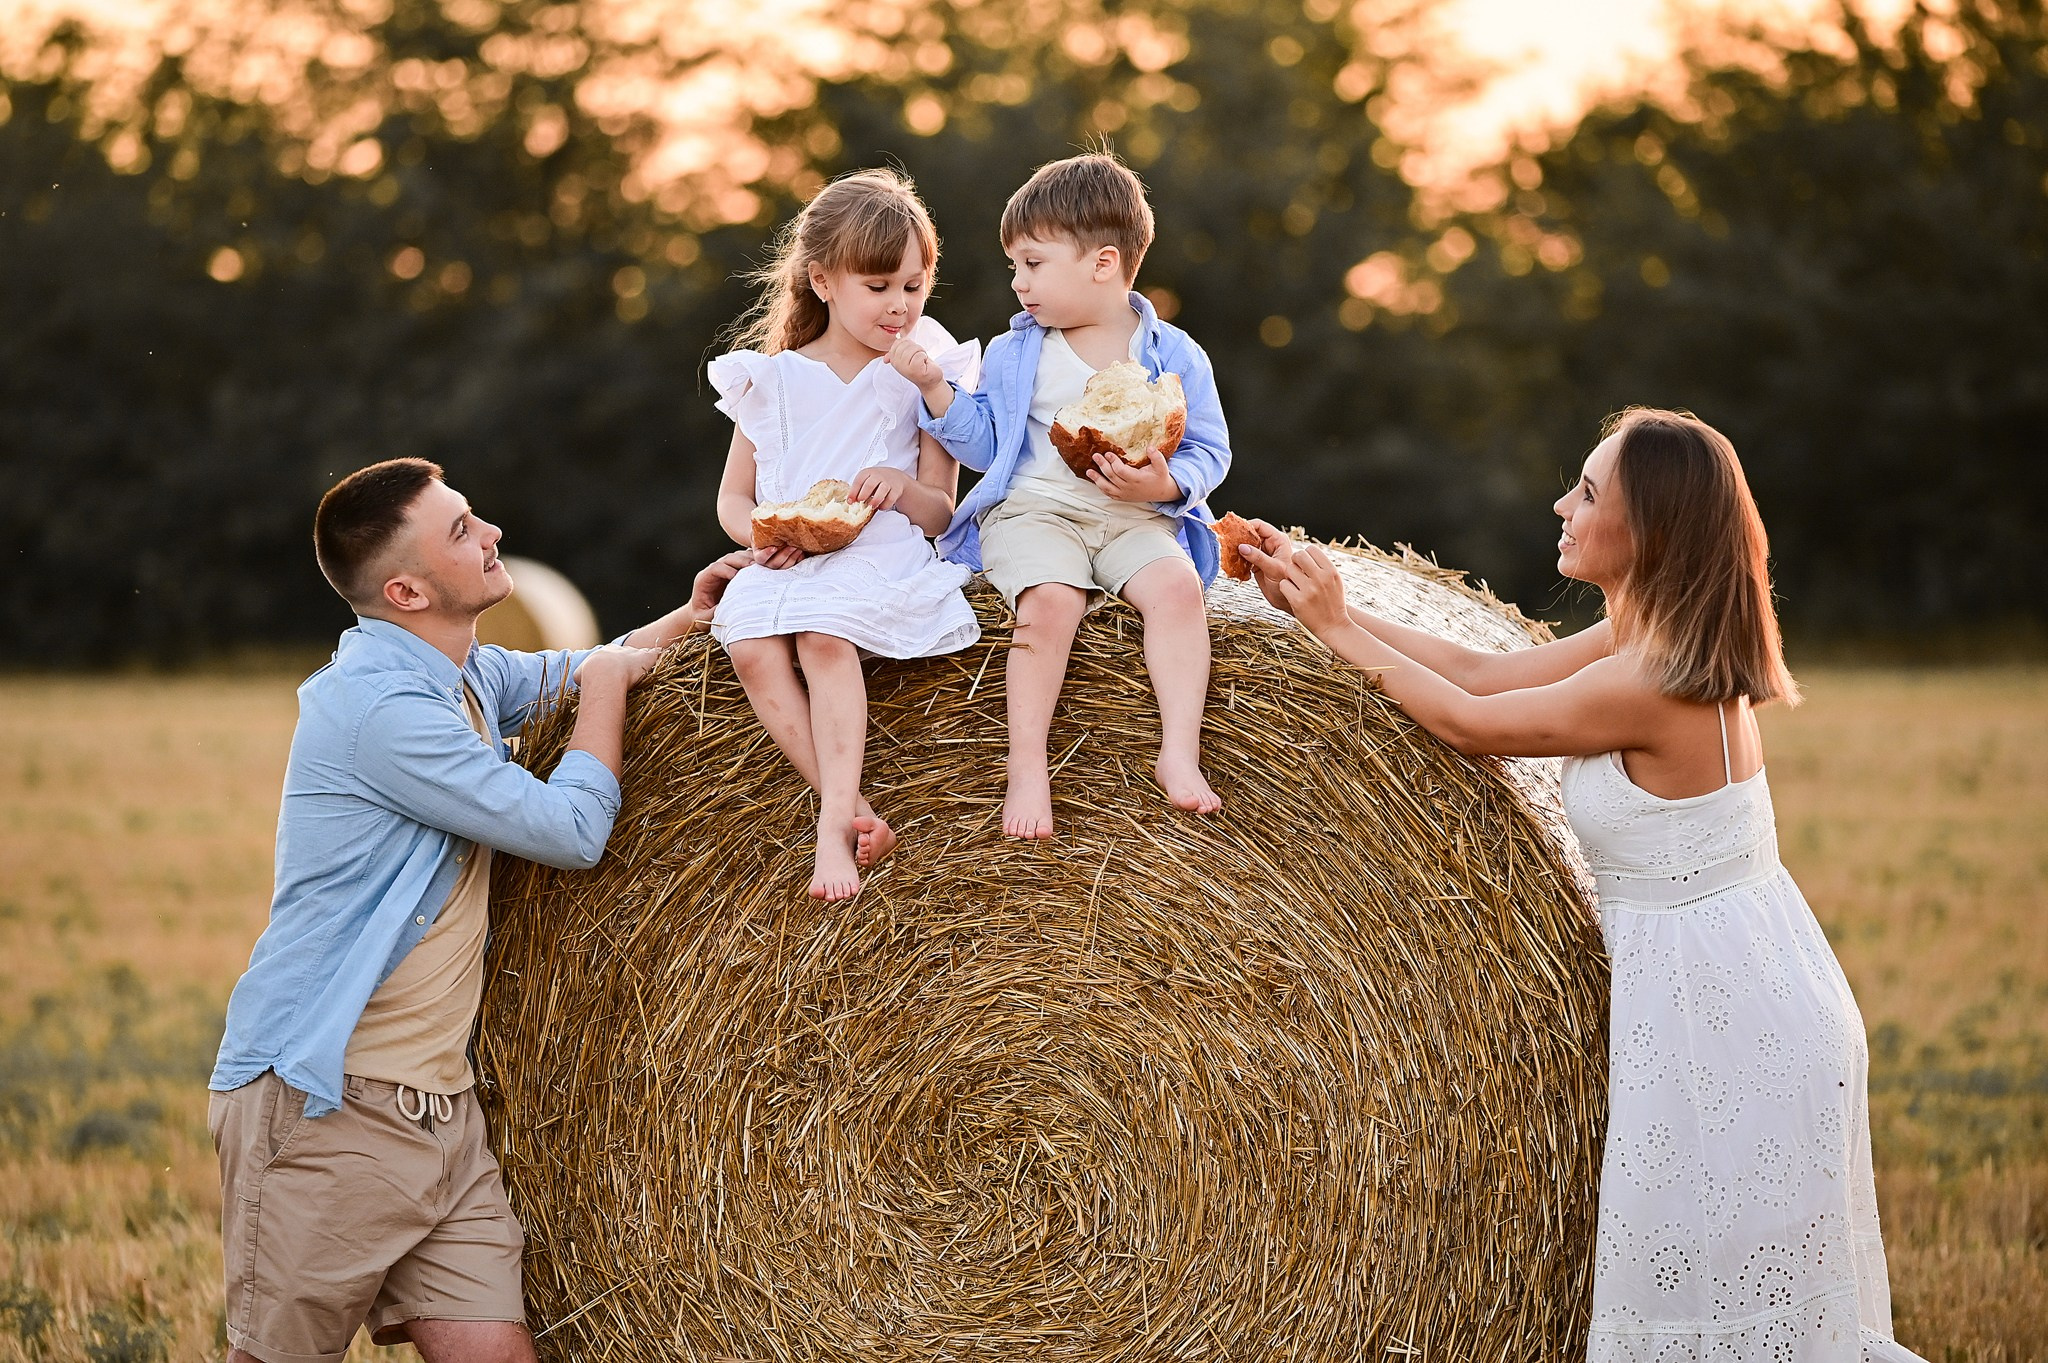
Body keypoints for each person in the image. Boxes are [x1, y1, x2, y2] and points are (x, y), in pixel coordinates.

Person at [1239, 408, 1924, 1363]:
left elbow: (1470, 722)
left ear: (1651, 530)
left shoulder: (1654, 679)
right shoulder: (1644, 638)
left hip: (1727, 1016)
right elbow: (1482, 671)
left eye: (1589, 493)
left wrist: (1333, 624)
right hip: (1729, 986)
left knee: (1721, 1312)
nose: (1563, 505)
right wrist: (1316, 607)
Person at [209, 457, 750, 1363]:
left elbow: (584, 669)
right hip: (329, 1109)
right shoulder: (384, 711)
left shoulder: (461, 676)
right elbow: (571, 827)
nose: (493, 533)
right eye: (461, 529)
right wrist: (607, 685)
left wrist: (692, 619)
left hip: (443, 1117)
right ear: (407, 590)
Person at [887, 151, 1232, 839]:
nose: (1018, 282)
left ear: (1103, 264)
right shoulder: (1017, 352)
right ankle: (1027, 766)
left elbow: (1209, 450)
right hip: (1035, 510)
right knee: (1050, 602)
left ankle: (1179, 752)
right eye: (1014, 265)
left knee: (1178, 592)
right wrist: (935, 390)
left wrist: (1165, 484)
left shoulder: (1174, 355)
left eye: (1033, 264)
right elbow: (987, 445)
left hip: (1136, 519)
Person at [709, 168, 981, 901]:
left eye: (914, 285)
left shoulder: (924, 373)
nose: (900, 305)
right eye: (879, 286)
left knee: (822, 638)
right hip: (789, 557)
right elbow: (733, 498)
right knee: (750, 646)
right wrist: (759, 532)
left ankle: (832, 831)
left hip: (879, 552)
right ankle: (858, 809)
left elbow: (941, 511)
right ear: (824, 281)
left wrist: (901, 489)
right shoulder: (771, 380)